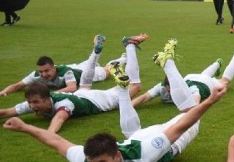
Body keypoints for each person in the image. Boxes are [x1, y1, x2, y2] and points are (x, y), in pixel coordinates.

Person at [4, 82, 227, 162]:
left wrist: (211, 101)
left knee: (190, 117)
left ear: (116, 155)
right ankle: (122, 90)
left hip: (166, 146)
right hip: (136, 139)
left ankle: (185, 82)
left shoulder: (144, 156)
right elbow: (55, 141)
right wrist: (24, 127)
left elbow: (179, 127)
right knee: (134, 134)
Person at [0, 34, 147, 132]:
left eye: (35, 103)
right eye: (30, 103)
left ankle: (129, 45)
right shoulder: (38, 100)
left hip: (98, 101)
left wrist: (33, 131)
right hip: (81, 94)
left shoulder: (64, 105)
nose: (32, 106)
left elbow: (57, 122)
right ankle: (102, 54)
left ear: (47, 99)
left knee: (135, 86)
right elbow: (7, 111)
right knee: (86, 83)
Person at [133, 46, 234, 111]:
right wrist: (129, 107)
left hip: (205, 83)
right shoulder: (162, 86)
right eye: (169, 90)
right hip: (194, 77)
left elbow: (195, 103)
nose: (170, 93)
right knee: (203, 75)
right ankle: (217, 64)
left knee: (224, 82)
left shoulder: (191, 89)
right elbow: (144, 98)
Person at [0, 46, 125, 97]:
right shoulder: (36, 75)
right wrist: (4, 92)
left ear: (54, 68)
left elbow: (71, 88)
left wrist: (50, 95)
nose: (43, 74)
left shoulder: (66, 72)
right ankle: (94, 55)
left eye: (47, 71)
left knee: (107, 71)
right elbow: (18, 85)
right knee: (89, 62)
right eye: (41, 71)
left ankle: (123, 58)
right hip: (76, 66)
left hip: (83, 75)